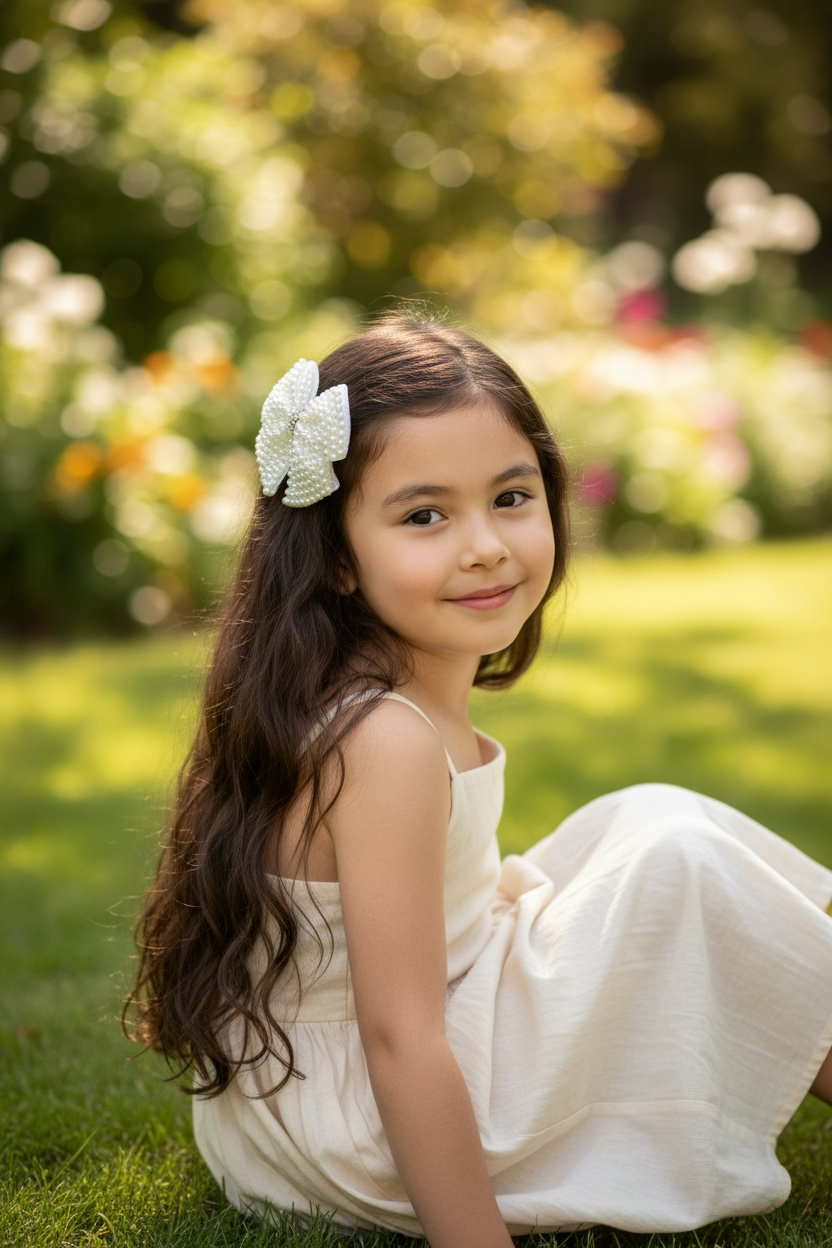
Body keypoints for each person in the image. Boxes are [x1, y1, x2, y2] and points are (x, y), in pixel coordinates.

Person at [124, 313, 832, 1247]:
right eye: (425, 515)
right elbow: (399, 1037)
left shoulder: (378, 693)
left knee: (646, 820)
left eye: (510, 496)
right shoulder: (383, 739)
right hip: (362, 1131)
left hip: (306, 1102)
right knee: (675, 860)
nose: (486, 545)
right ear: (335, 552)